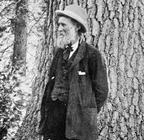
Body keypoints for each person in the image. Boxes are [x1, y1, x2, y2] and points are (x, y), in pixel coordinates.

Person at [38, 4, 109, 140]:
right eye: (59, 25)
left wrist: (86, 111)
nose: (59, 29)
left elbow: (102, 92)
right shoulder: (58, 52)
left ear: (77, 27)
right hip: (54, 119)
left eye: (64, 25)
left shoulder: (92, 55)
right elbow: (51, 82)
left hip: (78, 123)